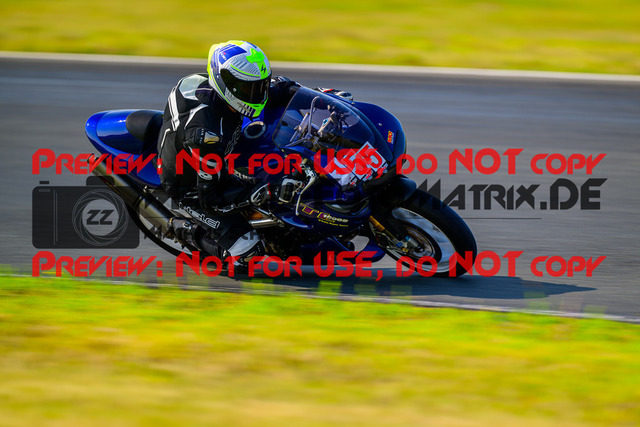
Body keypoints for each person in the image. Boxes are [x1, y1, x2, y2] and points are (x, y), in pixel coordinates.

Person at [158, 40, 351, 267]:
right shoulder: (206, 135)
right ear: (226, 84)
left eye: (260, 85)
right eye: (250, 89)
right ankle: (185, 230)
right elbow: (212, 198)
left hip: (223, 148)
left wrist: (325, 100)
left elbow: (282, 89)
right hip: (193, 184)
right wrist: (267, 190)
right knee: (248, 253)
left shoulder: (235, 92)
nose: (259, 94)